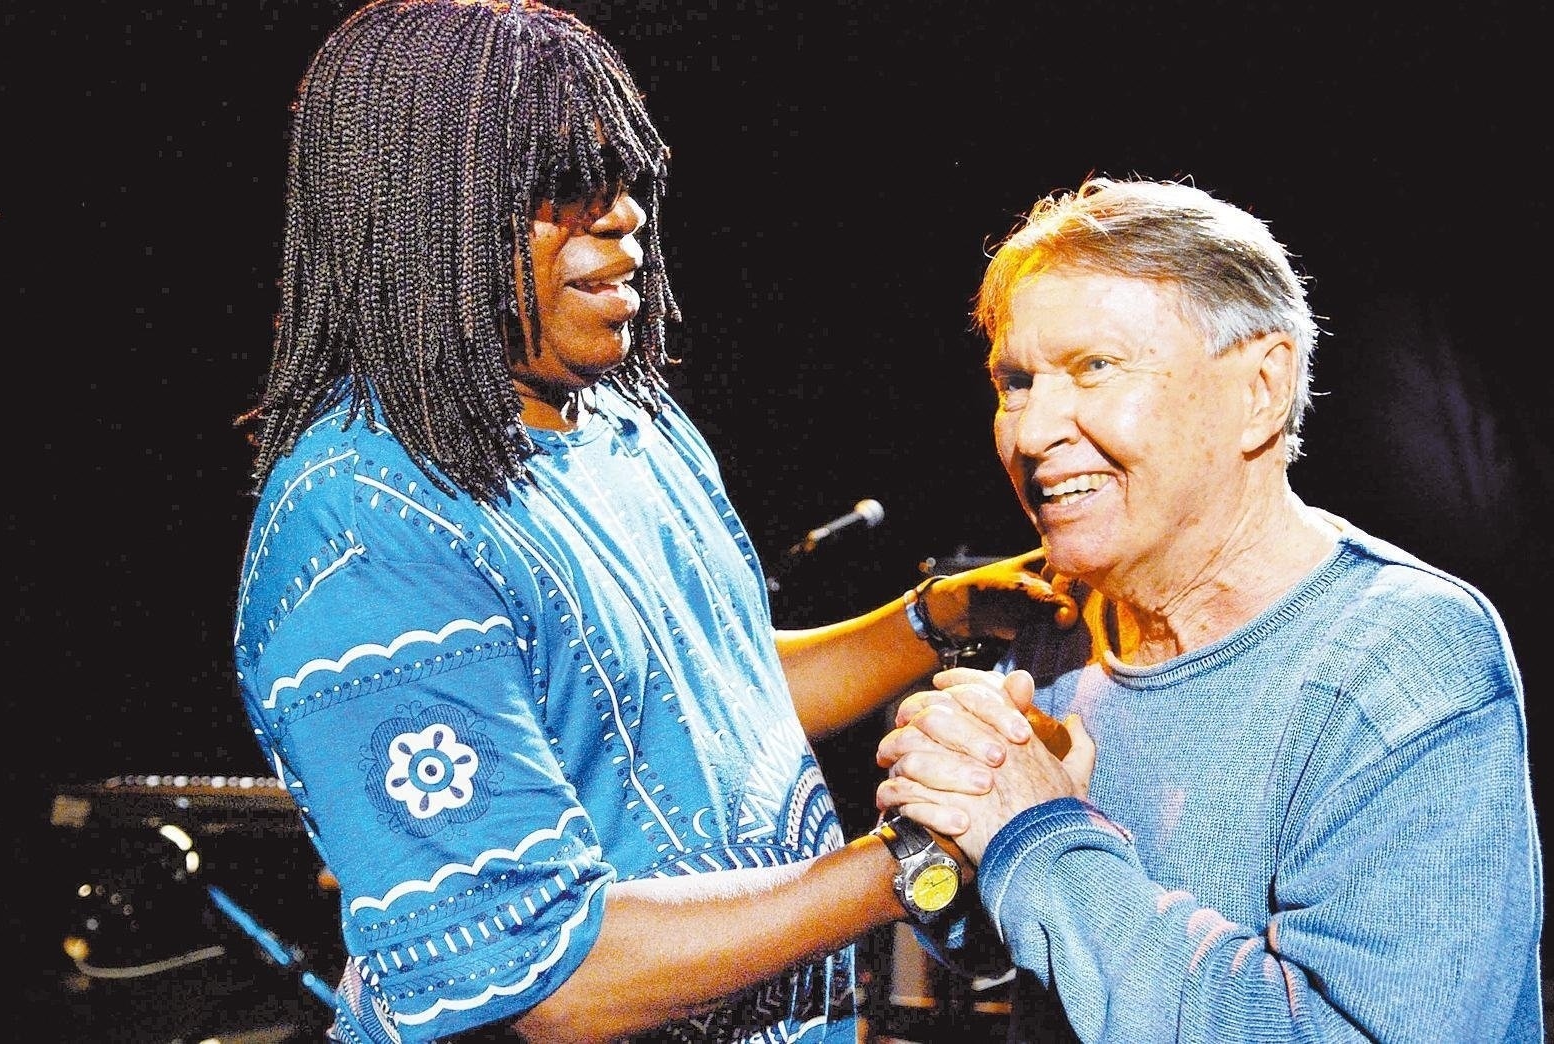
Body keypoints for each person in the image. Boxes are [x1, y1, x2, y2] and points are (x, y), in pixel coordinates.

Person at [229, 2, 1074, 1040]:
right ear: (415, 212)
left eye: (623, 179)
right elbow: (552, 975)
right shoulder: (363, 528)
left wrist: (930, 622)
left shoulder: (627, 416)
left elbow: (702, 696)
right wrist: (918, 858)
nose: (621, 215)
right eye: (561, 190)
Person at [874, 175, 1545, 1042]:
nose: (1032, 432)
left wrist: (1036, 838)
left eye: (1094, 368)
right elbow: (1022, 947)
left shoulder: (1401, 653)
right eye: (1015, 382)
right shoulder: (1059, 627)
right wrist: (943, 842)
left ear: (1260, 388)